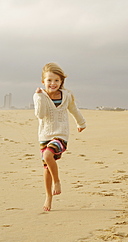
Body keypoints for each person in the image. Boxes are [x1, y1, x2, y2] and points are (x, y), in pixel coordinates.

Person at [33, 62, 86, 211]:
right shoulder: (39, 96)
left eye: (56, 80)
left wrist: (81, 123)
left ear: (61, 81)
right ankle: (48, 196)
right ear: (43, 81)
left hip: (61, 135)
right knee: (46, 168)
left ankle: (57, 182)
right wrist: (39, 98)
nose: (53, 83)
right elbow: (40, 115)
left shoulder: (66, 96)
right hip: (44, 135)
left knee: (48, 155)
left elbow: (74, 110)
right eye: (49, 80)